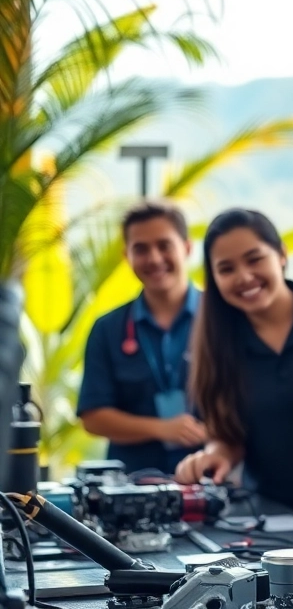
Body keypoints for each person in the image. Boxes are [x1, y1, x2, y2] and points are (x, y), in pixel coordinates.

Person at [173, 208, 293, 524]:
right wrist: (214, 455)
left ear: (282, 254)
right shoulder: (215, 347)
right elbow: (228, 434)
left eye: (255, 259)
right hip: (273, 520)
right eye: (226, 269)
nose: (244, 277)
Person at [78, 200, 205, 473]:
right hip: (132, 485)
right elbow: (93, 417)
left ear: (187, 248)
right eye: (141, 249)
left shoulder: (222, 319)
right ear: (127, 256)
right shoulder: (107, 329)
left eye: (164, 245)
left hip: (214, 481)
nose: (154, 259)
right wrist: (162, 429)